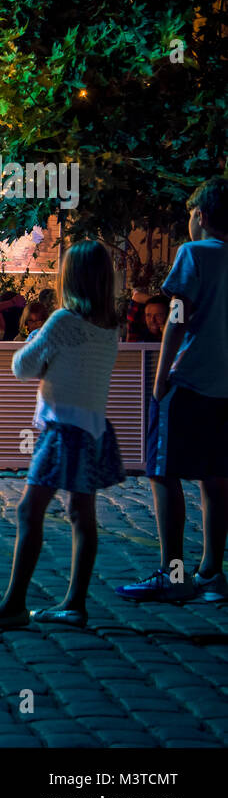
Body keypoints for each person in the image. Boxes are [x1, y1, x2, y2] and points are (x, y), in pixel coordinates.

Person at [0, 240, 124, 630]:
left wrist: (35, 338)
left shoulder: (62, 322)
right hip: (93, 427)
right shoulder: (108, 327)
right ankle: (74, 602)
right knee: (81, 515)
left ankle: (15, 603)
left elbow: (22, 366)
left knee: (28, 510)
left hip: (61, 428)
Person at [117, 177, 228, 603]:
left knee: (163, 472)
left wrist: (161, 379)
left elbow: (176, 319)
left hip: (191, 379)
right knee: (216, 478)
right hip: (224, 387)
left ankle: (173, 571)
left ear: (199, 215)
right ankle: (212, 572)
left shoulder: (193, 254)